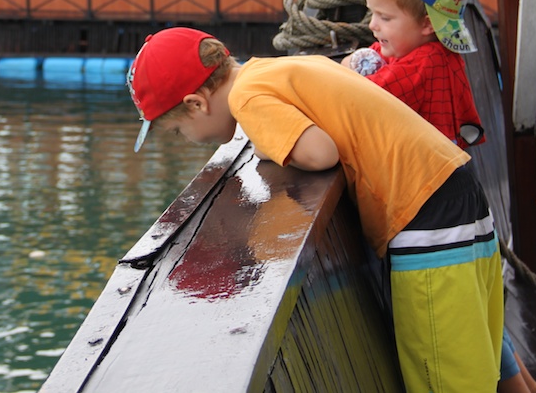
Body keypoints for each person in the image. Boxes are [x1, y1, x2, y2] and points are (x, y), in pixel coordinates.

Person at [128, 25, 504, 392]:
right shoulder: (270, 69)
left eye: (178, 131)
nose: (186, 140)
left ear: (196, 103)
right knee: (474, 360)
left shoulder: (247, 98)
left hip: (427, 219)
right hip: (454, 191)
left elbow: (320, 153)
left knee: (444, 377)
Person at [341, 0, 536, 393]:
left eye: (385, 18)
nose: (373, 26)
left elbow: (354, 103)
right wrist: (380, 53)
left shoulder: (419, 68)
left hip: (431, 221)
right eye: (372, 13)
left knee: (447, 352)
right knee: (478, 325)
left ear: (429, 24)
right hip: (464, 209)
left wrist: (351, 65)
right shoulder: (438, 56)